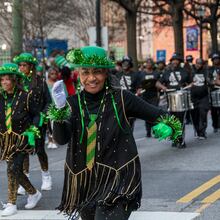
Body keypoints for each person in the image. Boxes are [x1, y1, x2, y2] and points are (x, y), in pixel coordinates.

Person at [48, 46, 181, 220]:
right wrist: (59, 112)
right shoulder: (73, 103)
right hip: (85, 181)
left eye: (97, 72)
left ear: (106, 74)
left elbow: (162, 116)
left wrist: (168, 126)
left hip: (118, 180)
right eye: (85, 72)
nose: (91, 78)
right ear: (79, 74)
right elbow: (61, 139)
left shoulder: (122, 98)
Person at [0, 63, 42, 216]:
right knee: (15, 169)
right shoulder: (1, 97)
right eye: (2, 79)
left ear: (15, 80)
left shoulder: (26, 96)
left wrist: (33, 129)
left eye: (7, 79)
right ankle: (33, 193)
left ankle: (11, 203)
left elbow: (37, 115)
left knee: (13, 168)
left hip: (22, 138)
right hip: (5, 139)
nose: (4, 82)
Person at [13, 52, 52, 194]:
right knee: (23, 150)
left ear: (30, 66)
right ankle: (25, 178)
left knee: (40, 150)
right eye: (20, 65)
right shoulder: (17, 81)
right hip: (22, 122)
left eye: (24, 65)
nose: (21, 67)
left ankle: (46, 175)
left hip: (38, 121)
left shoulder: (40, 81)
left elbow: (48, 101)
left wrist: (43, 116)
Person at [156, 52, 192, 148]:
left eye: (177, 60)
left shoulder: (185, 71)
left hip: (181, 98)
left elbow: (192, 82)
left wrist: (188, 87)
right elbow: (158, 83)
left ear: (179, 61)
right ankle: (175, 138)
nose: (175, 61)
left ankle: (181, 141)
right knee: (171, 121)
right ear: (171, 61)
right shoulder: (167, 72)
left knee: (181, 120)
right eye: (173, 60)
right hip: (170, 99)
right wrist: (163, 87)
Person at [139, 58, 159, 137]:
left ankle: (155, 130)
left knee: (154, 114)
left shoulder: (156, 73)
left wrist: (158, 95)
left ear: (152, 64)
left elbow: (158, 84)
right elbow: (139, 85)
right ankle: (148, 131)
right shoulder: (141, 74)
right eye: (147, 63)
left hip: (154, 96)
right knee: (146, 114)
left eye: (150, 63)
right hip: (145, 96)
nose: (149, 64)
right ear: (145, 64)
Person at [190, 58, 209, 139]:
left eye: (200, 63)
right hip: (193, 97)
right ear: (195, 63)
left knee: (203, 113)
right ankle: (197, 131)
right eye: (197, 63)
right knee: (194, 115)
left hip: (203, 96)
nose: (199, 65)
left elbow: (209, 80)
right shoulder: (191, 71)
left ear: (202, 64)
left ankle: (202, 132)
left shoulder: (205, 71)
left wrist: (210, 80)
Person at [208, 53, 220, 132]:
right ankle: (215, 125)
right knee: (214, 110)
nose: (216, 60)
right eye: (214, 59)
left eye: (217, 59)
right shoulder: (210, 69)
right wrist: (212, 82)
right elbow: (207, 79)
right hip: (213, 91)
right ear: (212, 60)